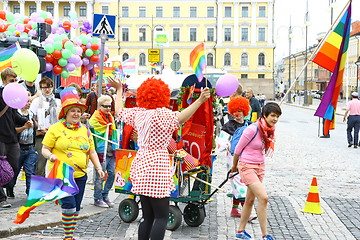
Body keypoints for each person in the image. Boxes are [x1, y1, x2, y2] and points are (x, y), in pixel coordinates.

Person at [109, 76, 210, 240]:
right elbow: (182, 117)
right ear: (163, 95)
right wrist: (199, 101)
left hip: (142, 162)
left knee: (147, 217)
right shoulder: (165, 114)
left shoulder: (139, 114)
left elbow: (119, 110)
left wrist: (119, 90)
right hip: (158, 164)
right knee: (161, 217)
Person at [42, 87, 105, 240]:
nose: (76, 114)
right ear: (66, 113)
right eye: (73, 111)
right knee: (69, 205)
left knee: (75, 208)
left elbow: (91, 151)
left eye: (78, 110)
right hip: (61, 174)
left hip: (80, 175)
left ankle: (69, 234)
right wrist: (50, 156)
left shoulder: (85, 130)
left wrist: (98, 168)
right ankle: (68, 236)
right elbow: (45, 149)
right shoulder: (55, 129)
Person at [232, 102, 282, 240]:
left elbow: (264, 148)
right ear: (264, 115)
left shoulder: (270, 130)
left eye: (277, 116)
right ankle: (265, 235)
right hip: (247, 166)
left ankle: (240, 231)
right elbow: (238, 149)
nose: (275, 119)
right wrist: (233, 167)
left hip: (260, 166)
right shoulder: (252, 129)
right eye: (272, 116)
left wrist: (269, 139)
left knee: (249, 200)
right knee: (263, 198)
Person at [220, 96, 256, 221]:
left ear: (244, 111)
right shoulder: (228, 126)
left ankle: (235, 209)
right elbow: (222, 142)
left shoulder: (249, 125)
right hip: (233, 159)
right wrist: (228, 146)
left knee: (241, 183)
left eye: (239, 111)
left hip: (246, 158)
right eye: (234, 111)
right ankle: (247, 213)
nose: (237, 114)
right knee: (239, 184)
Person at [0, 68, 28, 208]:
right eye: (11, 80)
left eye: (16, 80)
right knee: (0, 168)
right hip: (0, 138)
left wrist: (26, 121)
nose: (14, 83)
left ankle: (5, 187)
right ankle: (1, 198)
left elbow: (14, 115)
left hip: (12, 138)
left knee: (13, 166)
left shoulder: (13, 96)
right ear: (4, 81)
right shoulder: (1, 95)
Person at [6, 92, 38, 198]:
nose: (28, 103)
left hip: (30, 147)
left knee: (30, 172)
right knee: (15, 171)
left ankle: (30, 193)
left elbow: (35, 129)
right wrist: (24, 127)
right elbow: (12, 131)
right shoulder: (15, 114)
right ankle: (10, 189)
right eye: (26, 101)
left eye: (30, 101)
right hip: (18, 147)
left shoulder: (31, 114)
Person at [89, 95, 118, 208]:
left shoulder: (110, 117)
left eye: (109, 106)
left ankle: (105, 195)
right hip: (101, 151)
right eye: (105, 106)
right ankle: (97, 197)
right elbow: (93, 132)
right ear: (100, 106)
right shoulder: (95, 118)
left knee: (111, 174)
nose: (108, 109)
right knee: (100, 175)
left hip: (111, 150)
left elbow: (113, 131)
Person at [30, 76, 60, 177]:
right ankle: (39, 188)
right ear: (41, 89)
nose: (47, 90)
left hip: (56, 135)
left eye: (49, 87)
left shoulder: (57, 102)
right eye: (44, 88)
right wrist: (39, 127)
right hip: (41, 135)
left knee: (56, 162)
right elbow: (32, 117)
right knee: (40, 165)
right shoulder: (36, 101)